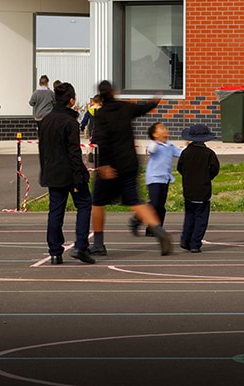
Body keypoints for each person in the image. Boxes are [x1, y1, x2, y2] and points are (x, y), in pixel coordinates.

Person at [91, 80, 172, 256]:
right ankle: (159, 231)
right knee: (136, 202)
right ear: (114, 92)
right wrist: (155, 100)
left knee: (97, 203)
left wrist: (103, 165)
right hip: (129, 163)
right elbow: (144, 108)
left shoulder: (101, 114)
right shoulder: (125, 108)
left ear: (100, 96)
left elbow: (101, 140)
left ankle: (98, 244)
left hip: (110, 166)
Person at [41, 81, 95, 265]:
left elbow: (43, 150)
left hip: (52, 171)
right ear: (71, 100)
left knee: (55, 211)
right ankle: (81, 245)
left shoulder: (46, 120)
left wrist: (45, 171)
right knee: (85, 205)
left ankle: (55, 251)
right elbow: (74, 151)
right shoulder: (70, 122)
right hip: (70, 173)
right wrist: (79, 176)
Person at [177, 124, 220, 253]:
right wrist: (207, 177)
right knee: (201, 218)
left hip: (189, 189)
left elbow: (180, 168)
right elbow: (215, 169)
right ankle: (195, 243)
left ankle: (185, 239)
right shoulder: (209, 153)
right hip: (203, 190)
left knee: (189, 216)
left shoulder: (186, 152)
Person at [145, 122, 183, 226]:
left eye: (165, 127)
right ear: (155, 134)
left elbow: (181, 153)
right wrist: (156, 141)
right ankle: (138, 217)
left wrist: (189, 147)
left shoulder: (170, 145)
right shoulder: (154, 145)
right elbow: (151, 150)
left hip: (165, 179)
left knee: (160, 206)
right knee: (155, 203)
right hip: (154, 178)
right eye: (161, 128)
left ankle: (155, 228)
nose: (165, 129)